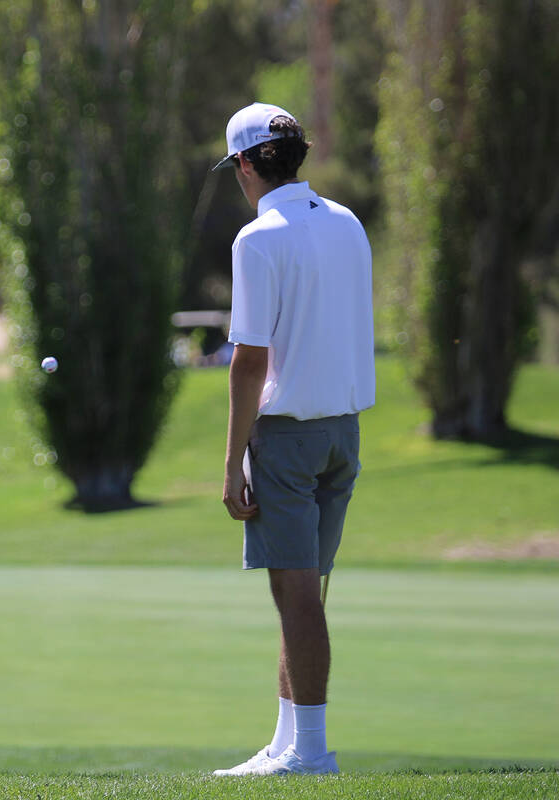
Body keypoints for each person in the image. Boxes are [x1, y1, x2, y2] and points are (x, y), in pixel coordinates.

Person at [210, 103, 375, 776]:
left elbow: (250, 362)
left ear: (247, 164)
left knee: (296, 594)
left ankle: (311, 751)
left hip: (288, 437)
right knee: (306, 589)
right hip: (344, 432)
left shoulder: (258, 239)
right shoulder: (347, 222)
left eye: (237, 170)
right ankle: (286, 742)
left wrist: (231, 465)